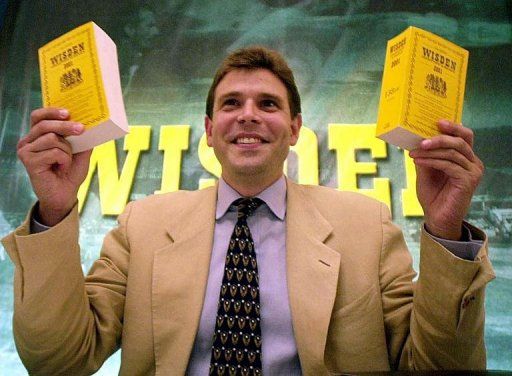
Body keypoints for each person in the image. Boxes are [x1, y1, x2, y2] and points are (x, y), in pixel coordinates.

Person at [3, 46, 495, 375]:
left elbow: (436, 367)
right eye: (232, 102)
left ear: (295, 127)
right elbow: (60, 360)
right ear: (210, 128)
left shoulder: (365, 225)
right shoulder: (143, 224)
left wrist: (445, 226)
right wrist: (55, 207)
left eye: (269, 104)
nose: (249, 115)